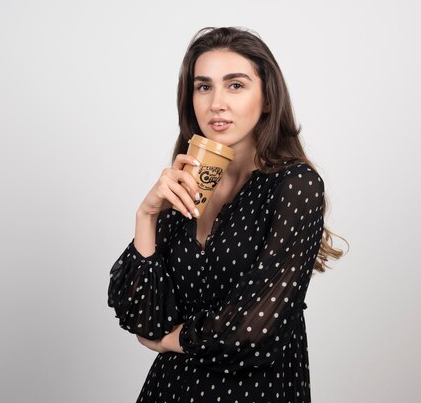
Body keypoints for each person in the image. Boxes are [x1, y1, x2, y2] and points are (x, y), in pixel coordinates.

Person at [107, 26, 347, 403]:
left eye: (235, 85)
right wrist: (147, 214)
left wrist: (173, 339)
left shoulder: (295, 185)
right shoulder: (187, 184)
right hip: (169, 391)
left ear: (267, 98)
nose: (216, 103)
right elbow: (142, 316)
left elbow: (255, 329)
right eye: (203, 87)